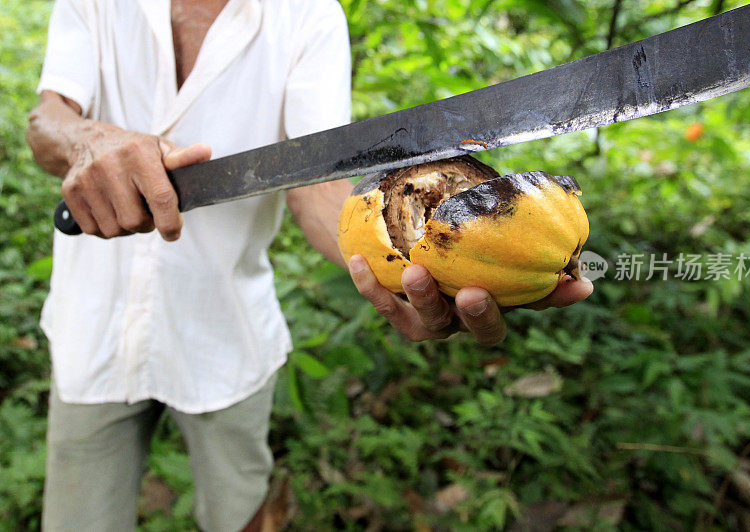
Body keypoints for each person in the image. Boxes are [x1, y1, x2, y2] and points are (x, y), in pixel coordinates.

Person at [26, 0, 593, 530]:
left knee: (243, 514)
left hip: (226, 339)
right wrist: (87, 140)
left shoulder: (308, 16)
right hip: (90, 332)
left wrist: (406, 274)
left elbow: (317, 192)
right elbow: (47, 120)